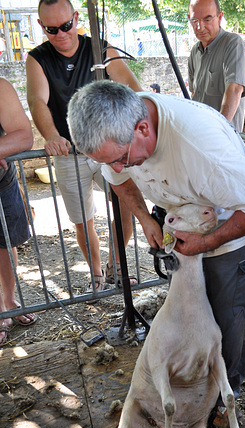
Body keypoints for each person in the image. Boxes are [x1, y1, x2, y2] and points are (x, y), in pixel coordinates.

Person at [67, 81, 245, 428]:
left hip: (230, 232)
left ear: (143, 128)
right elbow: (116, 178)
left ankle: (225, 402)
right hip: (184, 221)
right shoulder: (119, 137)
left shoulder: (201, 148)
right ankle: (195, 390)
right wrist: (146, 219)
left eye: (121, 158)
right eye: (108, 161)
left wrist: (208, 242)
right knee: (192, 312)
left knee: (229, 322)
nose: (118, 166)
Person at [26, 0, 142, 292]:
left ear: (76, 18)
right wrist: (52, 135)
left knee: (126, 204)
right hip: (69, 153)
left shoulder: (101, 49)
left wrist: (148, 124)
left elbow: (131, 84)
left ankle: (117, 265)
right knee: (82, 218)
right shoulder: (37, 58)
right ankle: (96, 272)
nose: (61, 34)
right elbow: (37, 100)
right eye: (52, 30)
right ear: (42, 27)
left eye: (66, 26)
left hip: (108, 149)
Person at [0, 79, 37, 346]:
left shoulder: (0, 87)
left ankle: (9, 301)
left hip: (2, 179)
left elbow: (24, 135)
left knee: (7, 241)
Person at [187, 0, 245, 132]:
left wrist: (218, 132)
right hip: (200, 133)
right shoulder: (195, 52)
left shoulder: (232, 44)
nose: (200, 27)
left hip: (223, 139)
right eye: (195, 21)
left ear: (219, 17)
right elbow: (194, 93)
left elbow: (235, 89)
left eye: (207, 20)